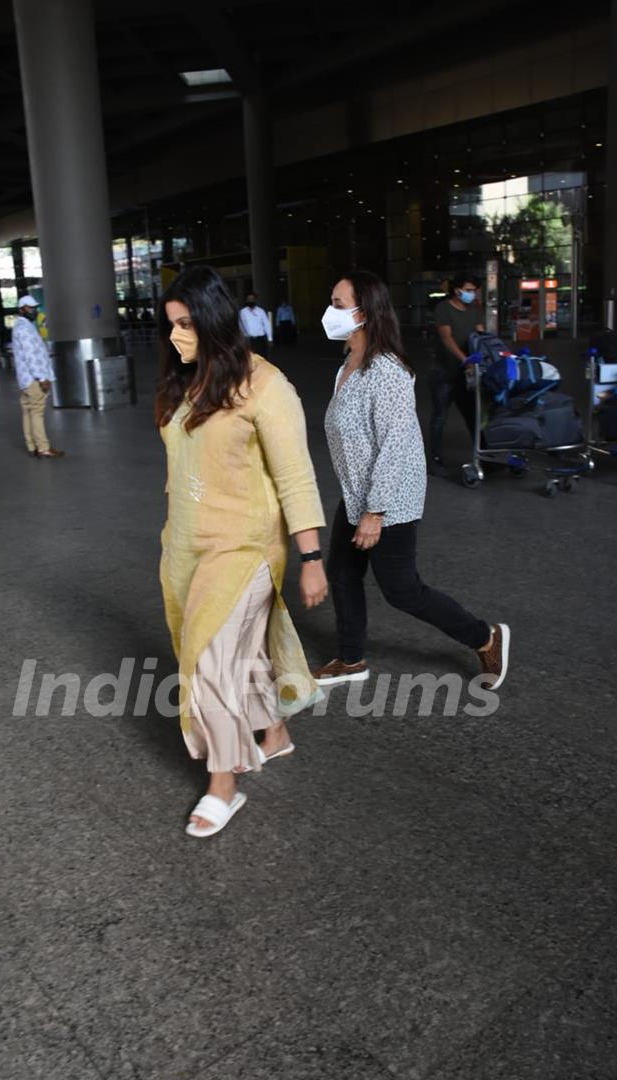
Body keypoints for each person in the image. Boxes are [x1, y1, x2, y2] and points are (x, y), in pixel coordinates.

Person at [156, 266, 328, 838]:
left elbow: (296, 477)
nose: (177, 335)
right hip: (186, 546)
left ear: (212, 319)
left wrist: (311, 557)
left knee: (208, 660)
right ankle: (273, 733)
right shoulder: (189, 383)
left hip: (246, 546)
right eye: (171, 325)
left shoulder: (267, 385)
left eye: (185, 323)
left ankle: (223, 785)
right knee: (238, 653)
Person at [311, 270, 510, 691]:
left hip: (387, 500)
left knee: (402, 590)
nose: (331, 312)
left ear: (366, 314)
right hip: (357, 493)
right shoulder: (349, 364)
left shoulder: (386, 372)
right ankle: (350, 660)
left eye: (339, 304)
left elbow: (397, 446)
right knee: (343, 574)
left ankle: (485, 636)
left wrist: (374, 512)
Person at [428, 275, 484, 477]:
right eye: (468, 289)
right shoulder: (443, 309)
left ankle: (483, 454)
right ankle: (434, 460)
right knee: (440, 416)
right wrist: (466, 360)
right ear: (457, 290)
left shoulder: (474, 311)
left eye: (474, 290)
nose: (472, 294)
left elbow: (480, 336)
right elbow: (447, 339)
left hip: (466, 375)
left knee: (473, 415)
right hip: (444, 371)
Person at [12, 296, 64, 459]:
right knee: (37, 412)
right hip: (34, 379)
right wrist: (42, 378)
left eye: (34, 308)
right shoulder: (24, 329)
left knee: (28, 411)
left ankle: (32, 446)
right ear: (21, 309)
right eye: (29, 308)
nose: (33, 311)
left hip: (26, 379)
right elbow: (31, 356)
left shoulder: (23, 326)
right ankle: (43, 448)